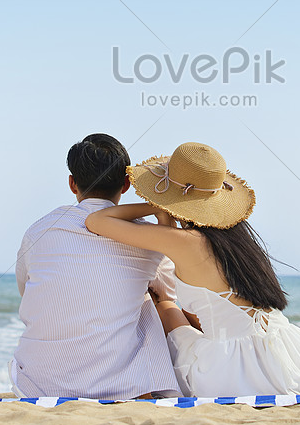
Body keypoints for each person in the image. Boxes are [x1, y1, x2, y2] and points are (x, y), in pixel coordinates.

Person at [85, 141, 300, 398]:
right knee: (180, 310)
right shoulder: (238, 239)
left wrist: (155, 207)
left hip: (232, 365)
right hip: (285, 349)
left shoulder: (186, 241)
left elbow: (97, 220)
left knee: (163, 303)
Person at [9, 133, 181, 399]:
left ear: (72, 183)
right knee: (149, 298)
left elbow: (26, 288)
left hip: (35, 383)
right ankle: (147, 385)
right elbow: (170, 295)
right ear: (126, 184)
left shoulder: (39, 229)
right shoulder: (147, 238)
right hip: (120, 387)